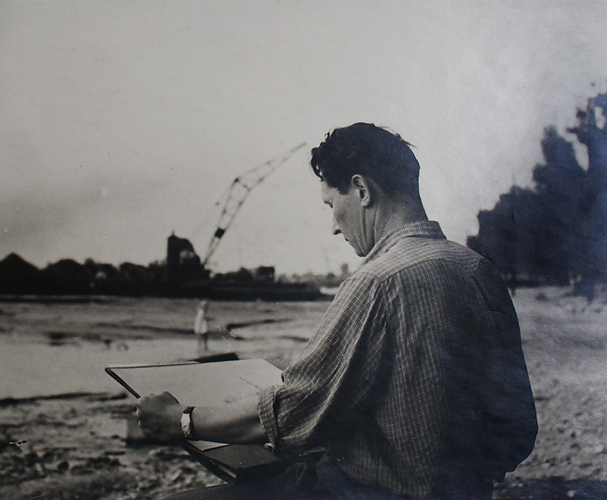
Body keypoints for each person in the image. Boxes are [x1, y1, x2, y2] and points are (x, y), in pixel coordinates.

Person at [137, 123, 538, 500]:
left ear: (362, 190)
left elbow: (289, 411)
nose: (333, 226)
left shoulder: (377, 282)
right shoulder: (478, 271)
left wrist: (182, 420)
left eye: (331, 204)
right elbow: (517, 428)